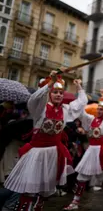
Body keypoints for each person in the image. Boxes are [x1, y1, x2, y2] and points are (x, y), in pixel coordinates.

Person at [4, 72, 87, 211]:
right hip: (37, 153)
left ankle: (38, 207)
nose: (59, 95)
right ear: (49, 93)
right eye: (55, 92)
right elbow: (34, 99)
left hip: (54, 154)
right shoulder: (40, 109)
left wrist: (79, 86)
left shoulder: (66, 110)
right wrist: (49, 83)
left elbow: (80, 103)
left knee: (45, 189)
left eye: (61, 92)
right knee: (29, 188)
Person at [64, 90, 103, 210]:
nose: (99, 111)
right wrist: (79, 89)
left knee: (102, 177)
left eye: (101, 109)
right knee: (81, 177)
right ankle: (75, 202)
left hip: (102, 151)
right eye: (98, 109)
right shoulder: (91, 119)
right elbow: (81, 113)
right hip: (91, 150)